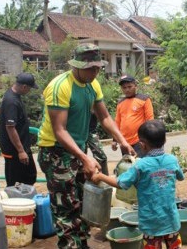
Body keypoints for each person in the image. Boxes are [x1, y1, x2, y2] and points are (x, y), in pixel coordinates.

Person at [37, 43, 135, 249]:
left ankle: (81, 244)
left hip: (77, 150)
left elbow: (105, 116)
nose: (95, 72)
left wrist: (122, 140)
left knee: (82, 202)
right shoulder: (60, 86)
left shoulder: (93, 84)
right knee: (66, 209)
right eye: (91, 68)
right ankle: (70, 245)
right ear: (78, 65)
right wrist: (85, 158)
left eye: (98, 67)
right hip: (55, 152)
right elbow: (60, 131)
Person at [92, 120, 184, 249]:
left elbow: (120, 183)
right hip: (171, 220)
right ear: (165, 141)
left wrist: (100, 176)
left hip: (151, 224)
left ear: (142, 144)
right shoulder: (172, 160)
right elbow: (180, 176)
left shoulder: (140, 166)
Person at [0, 72, 38, 187]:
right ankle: (16, 203)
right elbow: (10, 127)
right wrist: (20, 151)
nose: (29, 91)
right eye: (29, 88)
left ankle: (24, 201)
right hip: (15, 151)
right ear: (24, 86)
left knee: (29, 176)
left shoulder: (10, 94)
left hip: (20, 147)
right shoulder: (12, 101)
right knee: (16, 182)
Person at [112, 75, 154, 157]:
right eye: (124, 88)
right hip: (124, 142)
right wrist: (115, 140)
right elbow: (117, 122)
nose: (127, 89)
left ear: (135, 85)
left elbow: (150, 120)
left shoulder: (144, 99)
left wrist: (148, 139)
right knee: (128, 165)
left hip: (140, 141)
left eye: (129, 86)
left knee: (140, 165)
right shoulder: (120, 103)